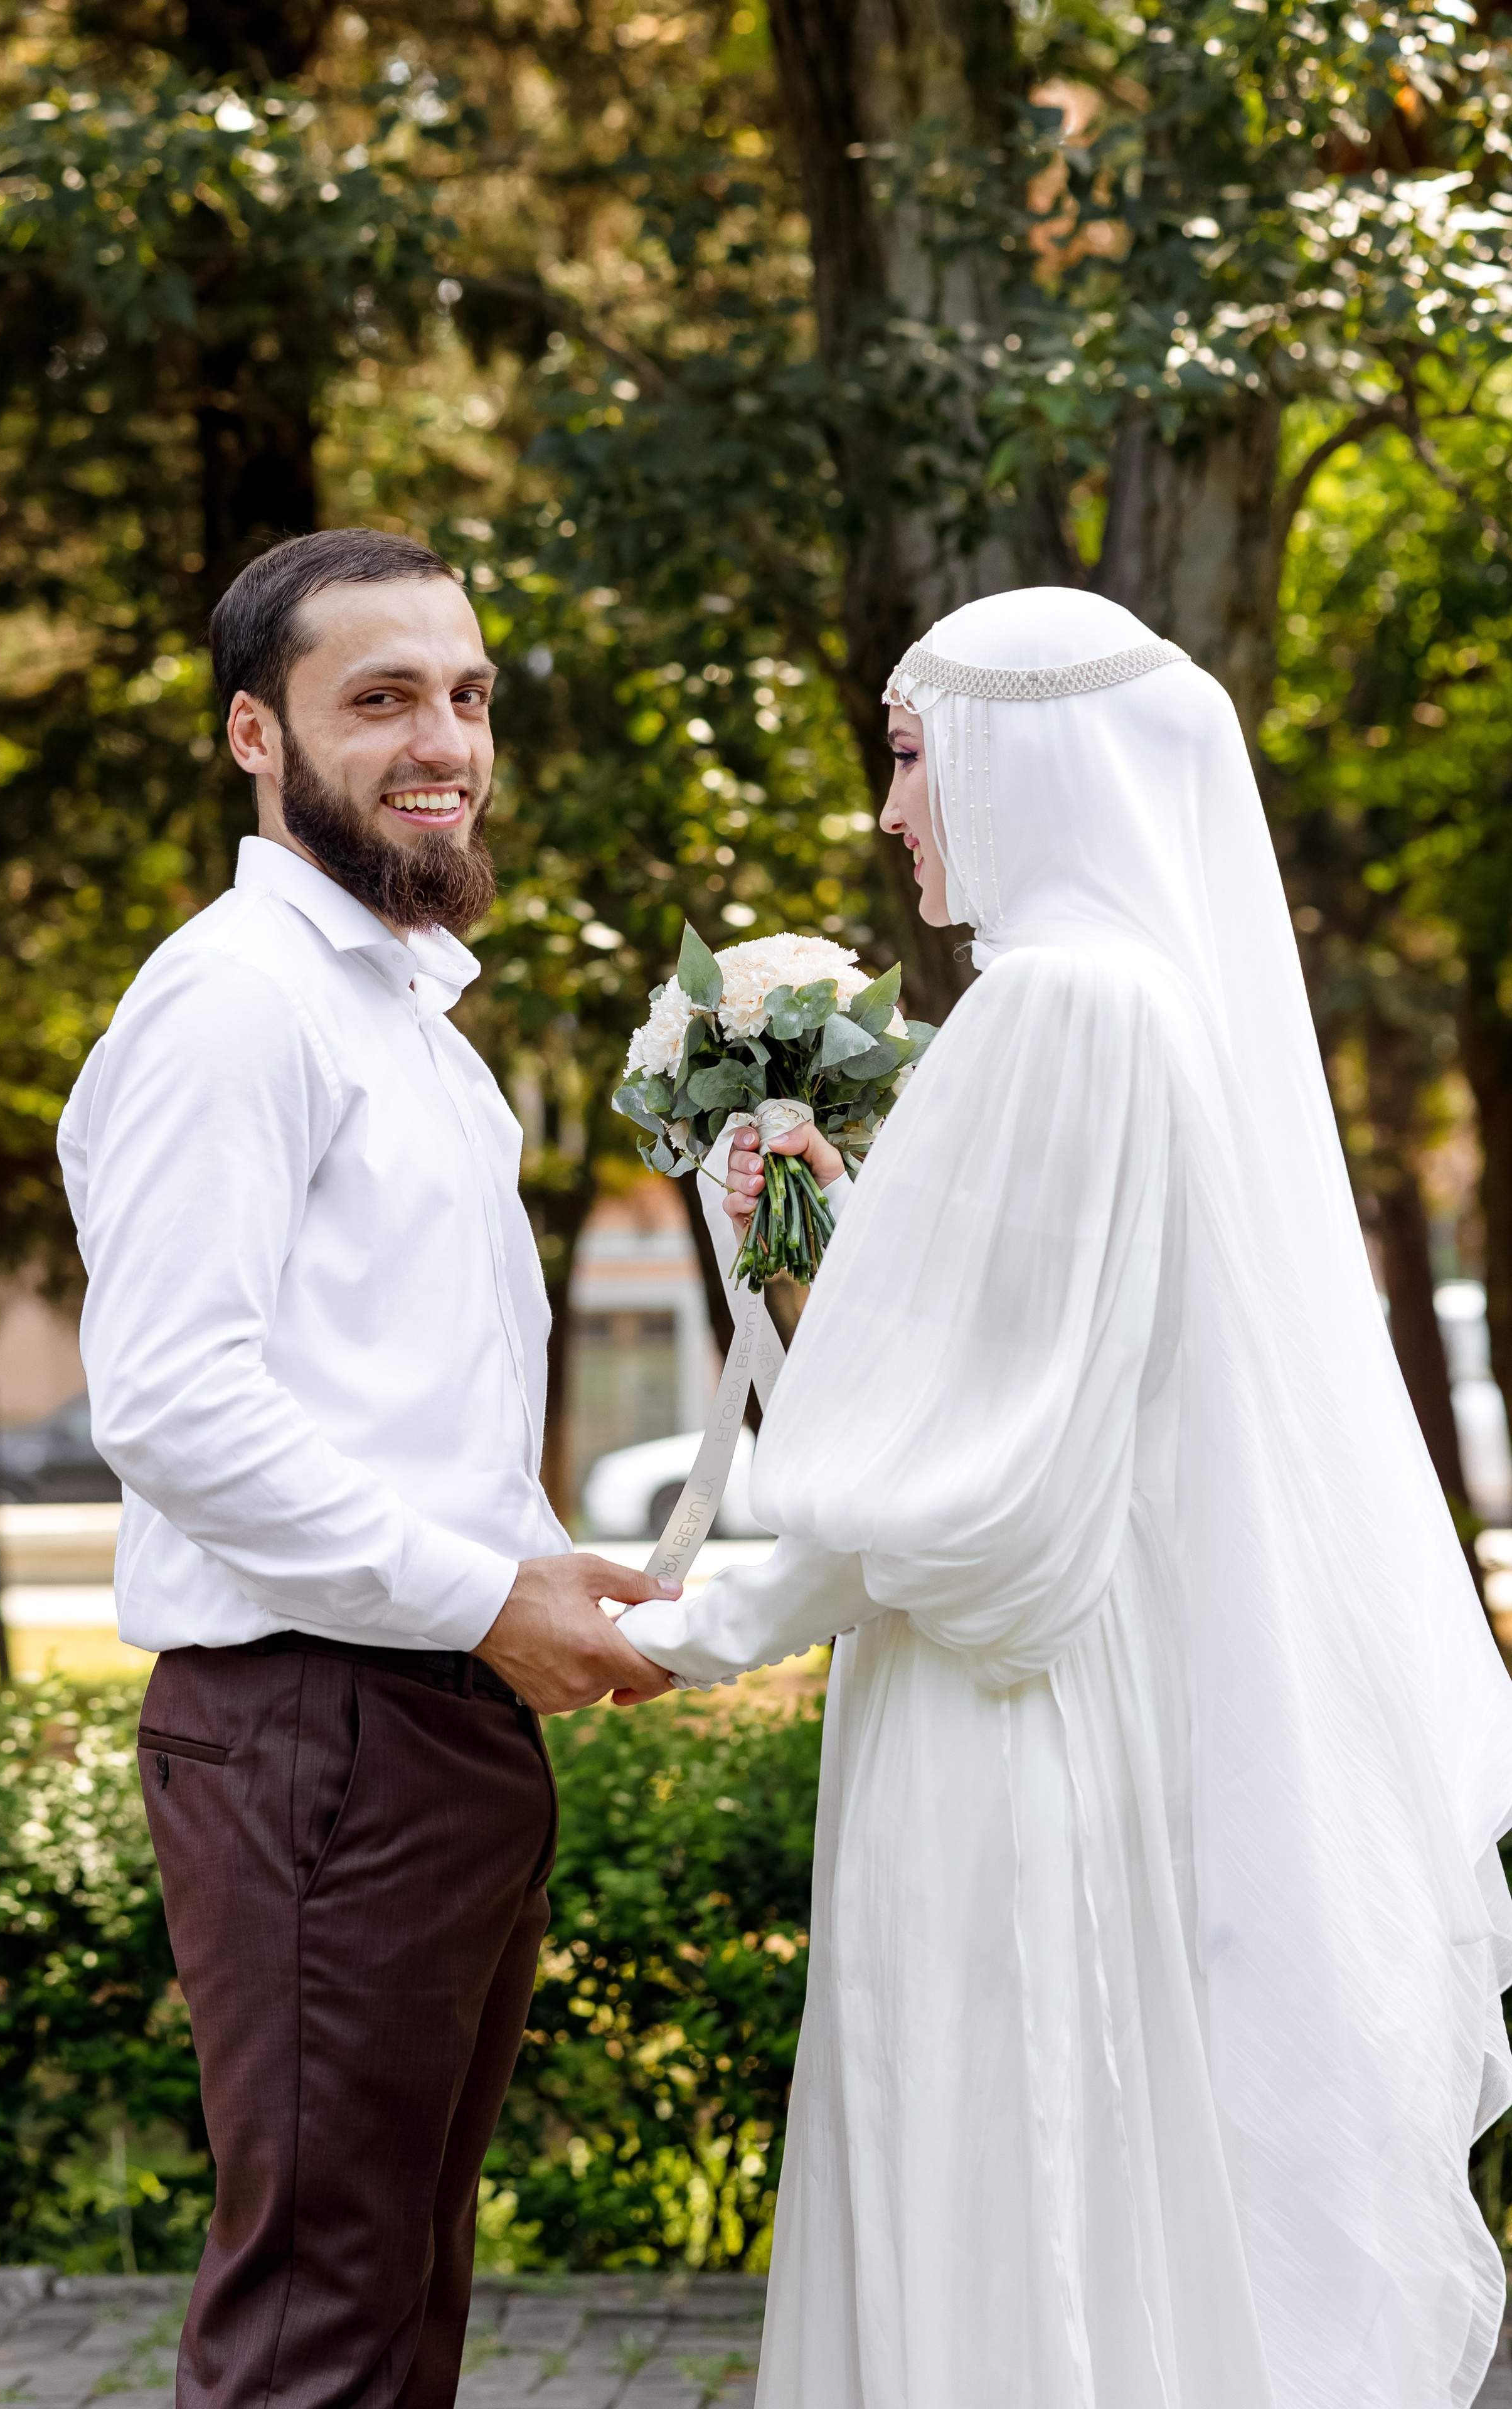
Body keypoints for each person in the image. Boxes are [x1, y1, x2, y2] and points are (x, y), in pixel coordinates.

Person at [620, 587, 1512, 2409]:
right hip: (1067, 1676)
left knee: (990, 2153)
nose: (891, 811)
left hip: (991, 1700)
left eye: (909, 753)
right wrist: (800, 1236)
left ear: (1029, 755)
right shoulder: (1134, 1003)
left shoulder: (1055, 1006)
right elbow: (1011, 1364)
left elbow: (966, 1481)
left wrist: (693, 1631)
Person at [57, 528, 672, 2408]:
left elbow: (410, 1405)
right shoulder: (239, 1000)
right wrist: (489, 1598)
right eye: (381, 698)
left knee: (400, 2296)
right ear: (257, 733)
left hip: (425, 1722)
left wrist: (561, 1576)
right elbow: (171, 1401)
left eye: (467, 696)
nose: (443, 742)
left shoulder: (407, 1020)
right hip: (316, 1731)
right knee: (322, 2314)